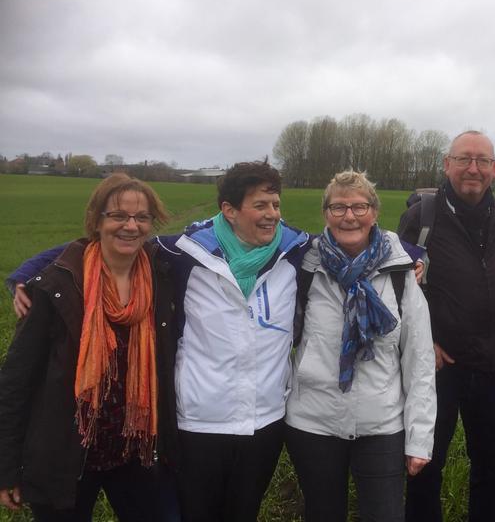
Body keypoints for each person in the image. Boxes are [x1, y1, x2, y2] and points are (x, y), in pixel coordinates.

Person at [7, 161, 310, 522]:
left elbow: (347, 236)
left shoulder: (295, 250)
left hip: (175, 439)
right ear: (229, 210)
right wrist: (27, 272)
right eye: (260, 205)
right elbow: (101, 245)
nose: (272, 214)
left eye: (275, 204)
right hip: (159, 430)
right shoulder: (182, 254)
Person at [0, 174, 177, 521]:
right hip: (65, 453)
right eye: (118, 216)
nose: (131, 226)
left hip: (135, 450)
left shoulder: (162, 277)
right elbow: (16, 381)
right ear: (97, 220)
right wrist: (6, 466)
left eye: (142, 217)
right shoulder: (57, 286)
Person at [285, 170, 436, 522]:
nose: (349, 216)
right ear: (326, 213)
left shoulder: (400, 273)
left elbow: (420, 361)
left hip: (381, 425)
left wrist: (419, 438)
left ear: (375, 212)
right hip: (313, 423)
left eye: (359, 206)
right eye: (338, 207)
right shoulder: (305, 267)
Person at [398, 130, 495, 522]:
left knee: (489, 465)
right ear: (447, 164)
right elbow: (396, 287)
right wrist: (424, 345)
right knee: (425, 462)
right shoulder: (421, 217)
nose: (473, 168)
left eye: (482, 161)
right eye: (463, 159)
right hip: (438, 367)